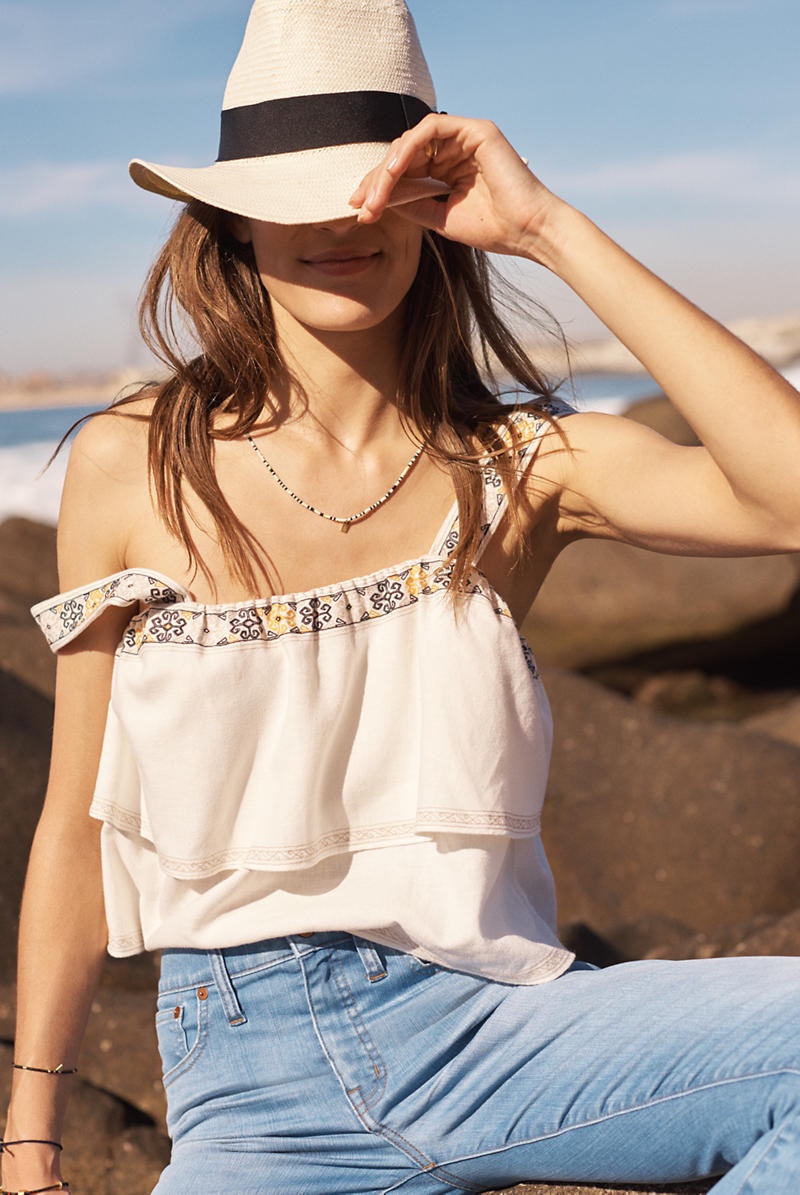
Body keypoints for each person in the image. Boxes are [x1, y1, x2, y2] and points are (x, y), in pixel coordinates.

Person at [3, 1, 800, 1193]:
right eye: (291, 190)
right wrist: (31, 1139)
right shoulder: (135, 463)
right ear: (226, 217)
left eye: (371, 185)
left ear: (431, 203)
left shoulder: (521, 467)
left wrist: (548, 227)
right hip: (246, 1079)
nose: (337, 220)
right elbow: (76, 821)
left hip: (499, 1032)